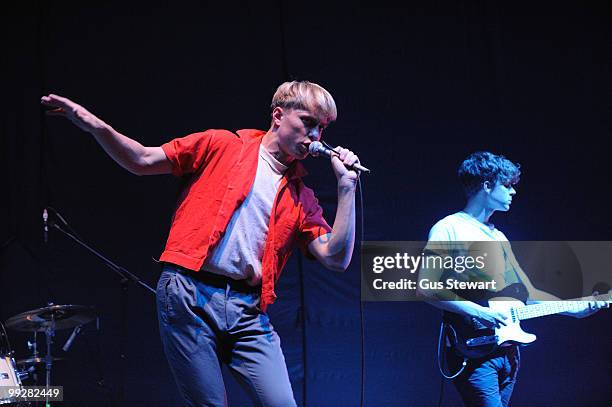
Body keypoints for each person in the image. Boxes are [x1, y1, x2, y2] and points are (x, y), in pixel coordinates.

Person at [41, 81, 359, 406]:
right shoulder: (222, 145)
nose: (315, 136)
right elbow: (141, 159)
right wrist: (95, 125)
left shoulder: (301, 196)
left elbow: (336, 258)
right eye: (308, 122)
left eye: (321, 128)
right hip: (188, 295)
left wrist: (346, 187)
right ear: (278, 115)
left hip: (247, 312)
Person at [418, 151, 608, 407]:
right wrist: (479, 312)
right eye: (506, 185)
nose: (513, 192)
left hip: (509, 352)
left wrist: (574, 309)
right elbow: (426, 288)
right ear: (486, 185)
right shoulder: (449, 228)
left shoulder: (500, 238)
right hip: (475, 351)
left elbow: (527, 295)